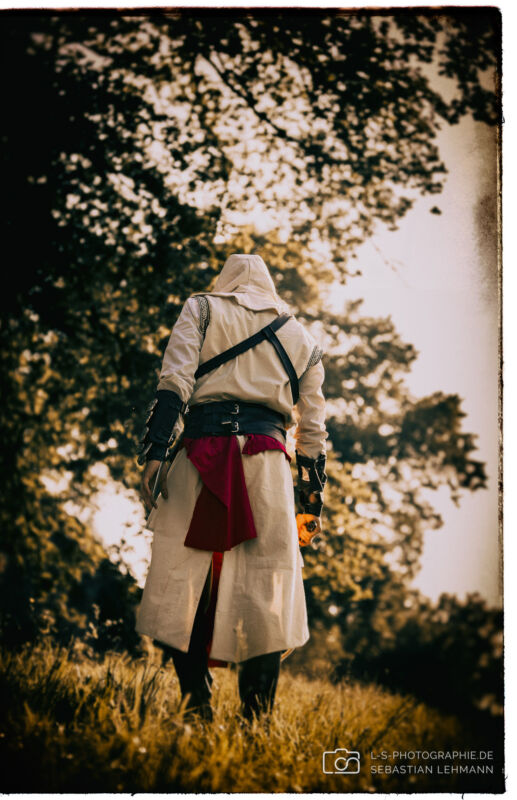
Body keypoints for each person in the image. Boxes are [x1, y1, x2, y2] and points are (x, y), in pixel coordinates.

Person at [136, 253, 327, 722]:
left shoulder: (202, 307)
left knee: (183, 582)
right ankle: (255, 720)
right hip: (268, 467)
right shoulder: (303, 337)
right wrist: (310, 499)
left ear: (226, 281)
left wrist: (156, 451)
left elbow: (175, 380)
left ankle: (196, 709)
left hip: (199, 454)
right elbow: (314, 429)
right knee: (268, 589)